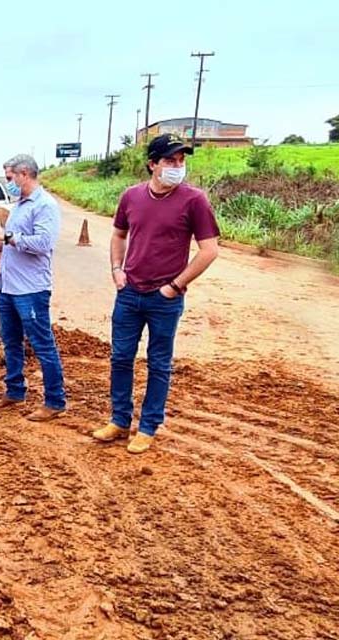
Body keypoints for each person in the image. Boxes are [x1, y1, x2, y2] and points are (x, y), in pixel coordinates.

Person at [92, 133, 220, 454]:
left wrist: (175, 286)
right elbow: (119, 235)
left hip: (165, 299)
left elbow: (209, 251)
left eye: (181, 161)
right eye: (170, 161)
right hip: (129, 293)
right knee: (121, 358)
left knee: (159, 363)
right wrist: (116, 270)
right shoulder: (131, 197)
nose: (177, 166)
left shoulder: (194, 200)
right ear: (152, 164)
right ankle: (120, 420)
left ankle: (148, 426)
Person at [0, 154, 67, 421]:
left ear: (24, 174)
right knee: (10, 341)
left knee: (42, 344)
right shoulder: (18, 206)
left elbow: (42, 244)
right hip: (9, 287)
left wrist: (6, 236)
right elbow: (12, 245)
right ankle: (15, 390)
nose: (9, 183)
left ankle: (55, 400)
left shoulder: (45, 205)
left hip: (31, 289)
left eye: (9, 177)